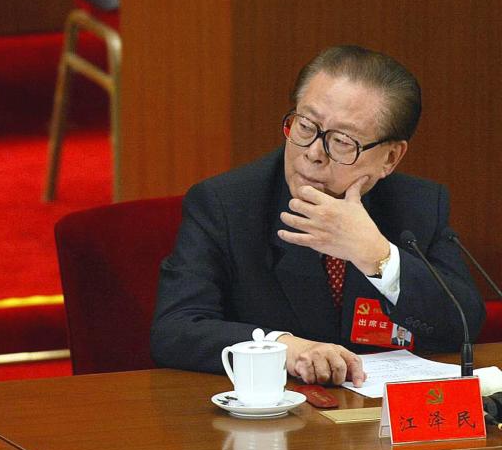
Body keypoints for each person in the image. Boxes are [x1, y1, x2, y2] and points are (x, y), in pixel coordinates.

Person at [151, 45, 485, 387]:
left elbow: (463, 325)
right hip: (273, 418)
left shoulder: (416, 205)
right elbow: (175, 328)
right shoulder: (227, 204)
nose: (312, 153)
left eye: (342, 141)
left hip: (374, 423)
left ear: (390, 158)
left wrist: (377, 257)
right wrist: (283, 347)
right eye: (305, 126)